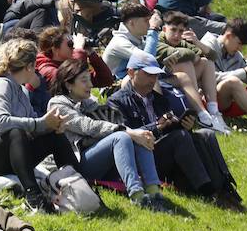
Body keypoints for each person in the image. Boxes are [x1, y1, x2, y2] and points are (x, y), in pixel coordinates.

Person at [107, 50, 243, 210]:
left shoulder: (159, 99)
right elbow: (126, 134)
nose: (153, 79)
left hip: (164, 149)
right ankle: (207, 191)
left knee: (206, 134)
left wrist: (182, 124)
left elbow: (168, 126)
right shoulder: (116, 101)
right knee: (180, 137)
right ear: (131, 72)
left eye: (155, 75)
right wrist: (158, 127)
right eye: (148, 74)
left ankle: (224, 187)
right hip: (144, 157)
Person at [0, 39, 76, 207]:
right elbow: (1, 123)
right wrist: (40, 123)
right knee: (15, 133)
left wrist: (51, 125)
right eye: (35, 66)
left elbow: (34, 126)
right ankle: (34, 196)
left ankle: (78, 183)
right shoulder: (0, 85)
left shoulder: (20, 90)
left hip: (8, 155)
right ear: (29, 66)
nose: (37, 71)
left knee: (53, 135)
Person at [48, 58, 164, 208]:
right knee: (122, 136)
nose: (90, 85)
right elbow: (88, 126)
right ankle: (137, 195)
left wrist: (134, 133)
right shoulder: (57, 104)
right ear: (68, 83)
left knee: (140, 134)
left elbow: (112, 120)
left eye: (89, 80)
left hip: (96, 160)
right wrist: (127, 131)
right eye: (84, 81)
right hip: (74, 166)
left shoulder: (88, 102)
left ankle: (154, 193)